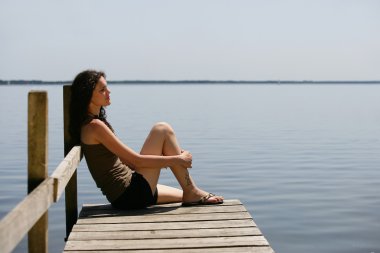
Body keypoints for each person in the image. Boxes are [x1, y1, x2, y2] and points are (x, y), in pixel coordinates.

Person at [69, 70, 224, 209]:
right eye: (102, 90)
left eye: (107, 87)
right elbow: (136, 162)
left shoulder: (93, 124)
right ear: (88, 95)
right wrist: (177, 159)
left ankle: (191, 192)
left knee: (184, 195)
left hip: (129, 191)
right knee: (162, 129)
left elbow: (129, 163)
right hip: (129, 194)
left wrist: (170, 155)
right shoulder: (94, 126)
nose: (109, 92)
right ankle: (192, 191)